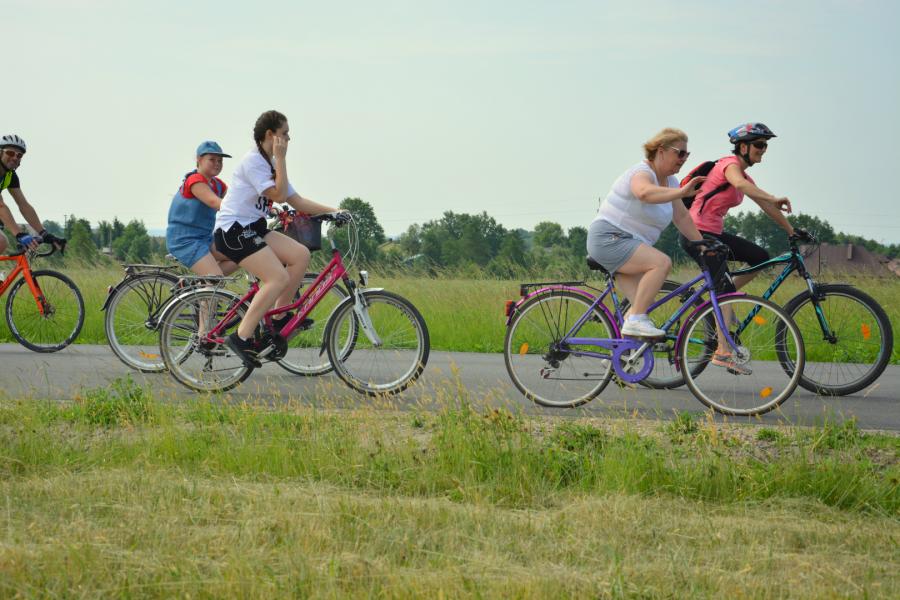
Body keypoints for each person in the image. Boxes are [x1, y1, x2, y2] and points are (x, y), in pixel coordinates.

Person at [213, 110, 343, 367]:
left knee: (300, 255)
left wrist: (335, 211)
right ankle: (240, 337)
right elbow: (280, 196)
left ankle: (280, 318)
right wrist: (281, 159)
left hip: (253, 228)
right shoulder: (254, 162)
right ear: (270, 135)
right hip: (233, 231)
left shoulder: (269, 163)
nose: (289, 139)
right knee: (277, 277)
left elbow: (297, 201)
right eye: (285, 134)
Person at [679, 123, 795, 373]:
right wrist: (773, 196)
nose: (763, 150)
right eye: (759, 144)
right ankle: (723, 352)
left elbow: (766, 206)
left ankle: (718, 295)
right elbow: (741, 186)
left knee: (760, 257)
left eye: (765, 146)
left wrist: (792, 231)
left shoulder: (744, 175)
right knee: (723, 289)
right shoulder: (729, 165)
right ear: (743, 147)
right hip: (696, 233)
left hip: (714, 234)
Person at [587, 128, 707, 337]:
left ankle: (624, 351)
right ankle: (635, 321)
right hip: (610, 238)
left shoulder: (671, 182)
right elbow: (643, 192)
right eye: (680, 153)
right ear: (661, 151)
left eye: (687, 155)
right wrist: (681, 192)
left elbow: (681, 217)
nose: (683, 159)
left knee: (643, 302)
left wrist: (703, 246)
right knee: (661, 263)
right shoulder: (642, 172)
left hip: (628, 243)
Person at [166, 141, 238, 276]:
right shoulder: (194, 181)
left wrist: (261, 206)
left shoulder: (217, 184)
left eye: (220, 161)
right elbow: (215, 202)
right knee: (215, 277)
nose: (217, 163)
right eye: (212, 159)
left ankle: (202, 285)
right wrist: (242, 210)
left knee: (242, 254)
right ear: (199, 160)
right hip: (186, 241)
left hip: (205, 239)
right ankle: (208, 284)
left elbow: (236, 199)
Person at [0, 134, 62, 254]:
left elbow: (24, 205)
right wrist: (19, 234)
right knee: (1, 241)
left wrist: (44, 233)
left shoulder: (10, 176)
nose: (15, 158)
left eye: (19, 155)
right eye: (10, 153)